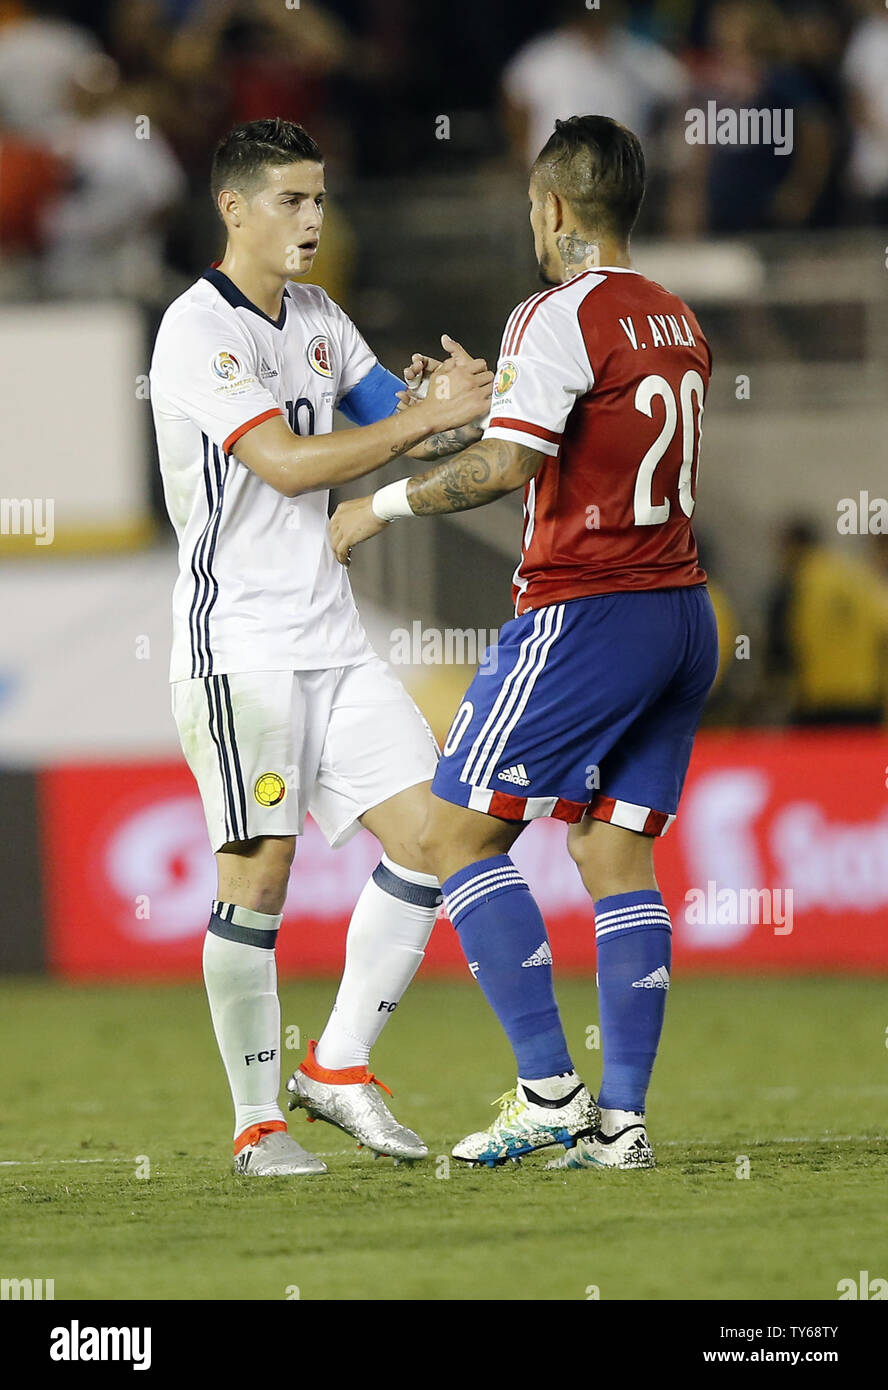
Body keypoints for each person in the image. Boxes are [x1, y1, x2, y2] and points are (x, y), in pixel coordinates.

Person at [331, 115, 719, 1172]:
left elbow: (508, 469)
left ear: (550, 207)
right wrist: (488, 400)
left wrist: (378, 506)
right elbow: (576, 436)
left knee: (455, 837)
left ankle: (549, 1089)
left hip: (586, 612)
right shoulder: (675, 316)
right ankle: (622, 1124)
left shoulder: (555, 312)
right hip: (681, 612)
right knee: (611, 852)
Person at [149, 116, 493, 1177]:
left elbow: (416, 428)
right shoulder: (196, 330)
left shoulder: (318, 316)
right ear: (233, 208)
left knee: (438, 834)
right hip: (240, 647)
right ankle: (258, 1126)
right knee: (260, 877)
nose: (313, 219)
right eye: (291, 200)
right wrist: (413, 426)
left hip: (333, 642)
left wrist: (461, 404)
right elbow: (291, 464)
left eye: (321, 198)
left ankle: (338, 1064)